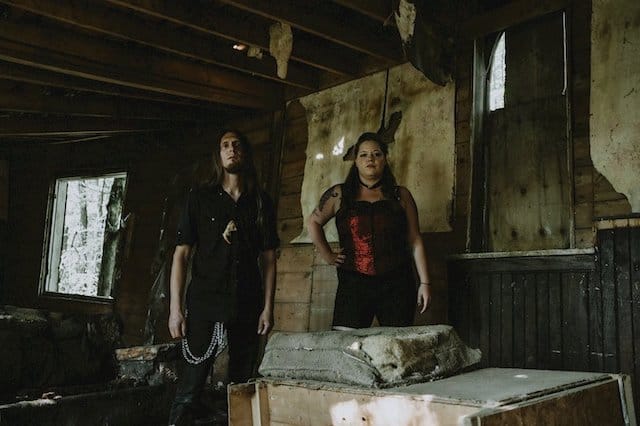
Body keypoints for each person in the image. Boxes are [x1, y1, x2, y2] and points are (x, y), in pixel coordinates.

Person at [167, 129, 279, 425]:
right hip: (205, 302)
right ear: (219, 155)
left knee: (241, 388)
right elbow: (181, 255)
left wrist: (268, 308)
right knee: (190, 388)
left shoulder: (261, 202)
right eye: (225, 145)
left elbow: (269, 259)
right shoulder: (200, 198)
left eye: (237, 145)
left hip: (247, 303)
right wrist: (175, 310)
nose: (232, 149)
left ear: (246, 153)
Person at [307, 132, 431, 330]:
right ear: (355, 161)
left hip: (397, 282)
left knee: (396, 343)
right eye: (363, 155)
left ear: (385, 159)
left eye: (376, 154)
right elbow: (313, 222)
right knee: (344, 343)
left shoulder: (401, 195)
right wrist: (328, 255)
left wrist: (425, 283)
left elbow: (415, 239)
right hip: (353, 282)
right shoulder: (339, 194)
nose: (370, 159)